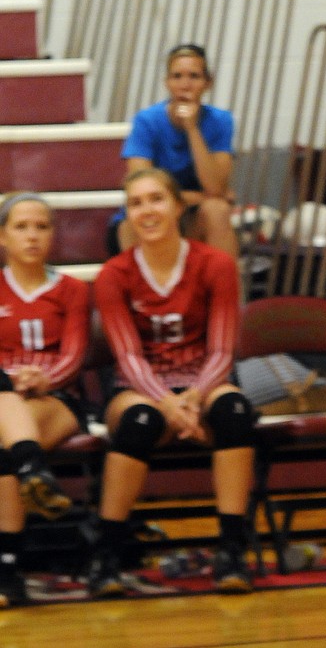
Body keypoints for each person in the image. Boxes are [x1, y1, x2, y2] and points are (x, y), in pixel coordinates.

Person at [88, 167, 255, 597]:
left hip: (205, 378)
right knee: (138, 422)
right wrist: (169, 403)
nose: (147, 210)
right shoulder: (114, 275)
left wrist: (194, 398)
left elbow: (222, 349)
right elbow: (127, 357)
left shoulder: (215, 263)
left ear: (178, 206)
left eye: (156, 199)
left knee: (235, 412)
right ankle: (107, 556)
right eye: (136, 203)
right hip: (140, 385)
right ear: (127, 215)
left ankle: (231, 551)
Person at [0, 191, 90, 608]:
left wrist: (42, 378)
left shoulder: (72, 289)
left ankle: (7, 572)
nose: (32, 236)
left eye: (41, 226)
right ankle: (32, 468)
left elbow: (74, 355)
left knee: (6, 443)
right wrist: (12, 380)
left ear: (53, 235)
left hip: (58, 401)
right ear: (3, 236)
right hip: (4, 398)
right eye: (21, 226)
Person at [117, 43, 239, 258]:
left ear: (207, 83)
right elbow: (139, 189)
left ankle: (226, 289)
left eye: (194, 76)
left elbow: (215, 188)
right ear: (167, 83)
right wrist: (200, 197)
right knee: (135, 219)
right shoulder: (146, 121)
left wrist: (192, 129)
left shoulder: (221, 121)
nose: (185, 85)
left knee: (217, 211)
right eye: (177, 76)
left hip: (193, 216)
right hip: (155, 212)